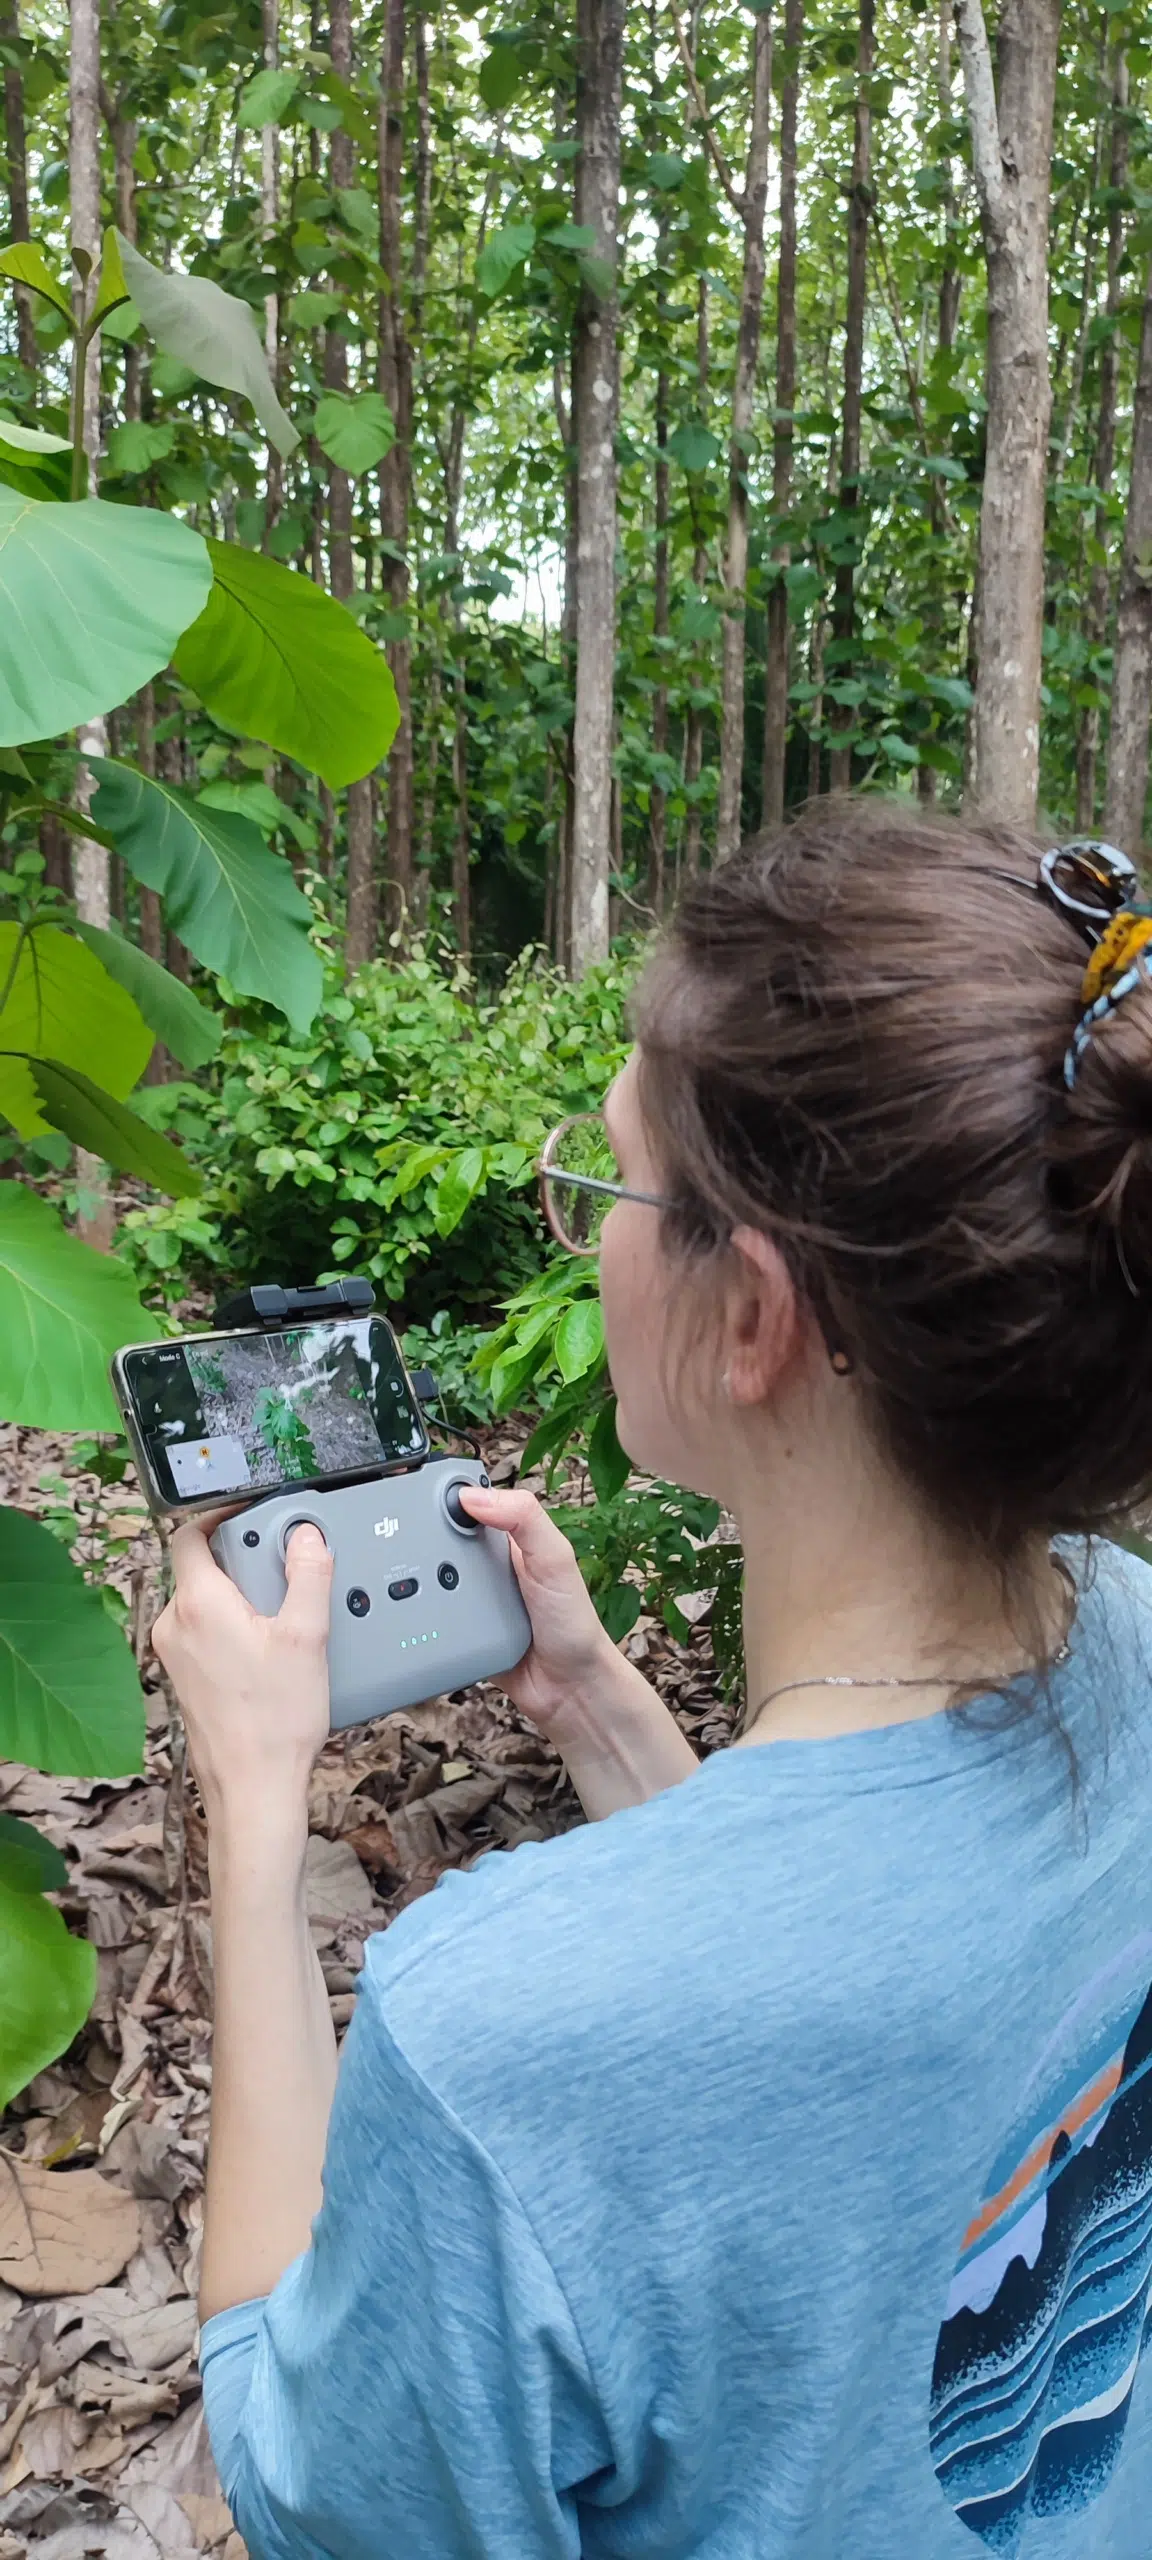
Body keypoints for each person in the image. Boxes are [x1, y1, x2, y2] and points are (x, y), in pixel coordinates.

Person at [155, 803, 1152, 2560]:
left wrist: (252, 1811)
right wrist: (603, 1707)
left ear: (754, 1316)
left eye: (605, 1185)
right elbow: (844, 2016)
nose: (587, 1233)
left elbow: (307, 2468)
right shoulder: (1132, 1635)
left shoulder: (506, 2036)